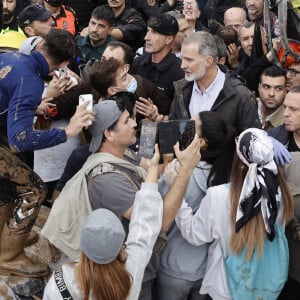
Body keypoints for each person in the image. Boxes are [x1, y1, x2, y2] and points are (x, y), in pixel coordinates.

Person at [0, 28, 93, 278]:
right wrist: (68, 132)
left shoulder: (11, 57)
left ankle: (7, 235)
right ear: (63, 64)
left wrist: (34, 106)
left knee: (10, 183)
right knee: (34, 189)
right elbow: (19, 140)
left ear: (40, 43)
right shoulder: (29, 79)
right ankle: (8, 256)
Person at [175, 128, 294, 299]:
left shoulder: (219, 196)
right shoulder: (280, 194)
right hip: (264, 288)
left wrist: (178, 194)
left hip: (224, 288)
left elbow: (194, 234)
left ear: (239, 159)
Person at [43, 145, 163, 300]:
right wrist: (153, 170)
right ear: (121, 247)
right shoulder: (131, 270)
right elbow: (145, 224)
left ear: (83, 247)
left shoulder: (63, 281)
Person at [157, 111, 236, 300]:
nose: (184, 130)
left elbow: (157, 209)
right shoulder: (225, 176)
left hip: (173, 268)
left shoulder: (179, 173)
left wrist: (167, 166)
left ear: (201, 143)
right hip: (204, 270)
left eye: (191, 129)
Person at [169, 31, 260, 133]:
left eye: (189, 60)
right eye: (182, 59)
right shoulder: (181, 89)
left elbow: (251, 142)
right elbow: (174, 131)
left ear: (208, 61)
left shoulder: (241, 96)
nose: (182, 65)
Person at [130, 13, 184, 100]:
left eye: (154, 32)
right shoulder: (137, 63)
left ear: (169, 39)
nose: (147, 37)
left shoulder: (180, 72)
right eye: (148, 31)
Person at [257, 65, 286, 131]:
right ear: (259, 87)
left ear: (285, 91)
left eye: (279, 88)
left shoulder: (289, 120)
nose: (271, 94)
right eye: (266, 87)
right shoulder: (248, 105)